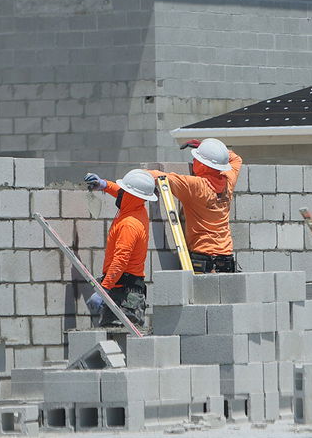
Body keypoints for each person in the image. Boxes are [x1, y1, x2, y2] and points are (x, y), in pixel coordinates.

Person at [150, 138, 243, 273]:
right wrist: (207, 148)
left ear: (205, 166)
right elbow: (236, 159)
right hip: (226, 258)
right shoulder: (229, 179)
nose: (194, 161)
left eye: (197, 159)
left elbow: (159, 176)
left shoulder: (195, 186)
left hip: (204, 258)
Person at [81, 168, 157, 328]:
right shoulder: (136, 207)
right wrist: (104, 185)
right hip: (124, 289)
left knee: (120, 341)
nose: (120, 191)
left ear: (130, 195)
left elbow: (121, 260)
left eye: (124, 190)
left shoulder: (129, 224)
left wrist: (104, 290)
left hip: (124, 295)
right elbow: (122, 192)